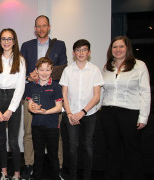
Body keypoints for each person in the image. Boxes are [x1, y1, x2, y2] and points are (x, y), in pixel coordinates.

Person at [20, 15, 67, 179]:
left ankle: (58, 167)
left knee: (56, 133)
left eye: (44, 26)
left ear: (49, 27)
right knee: (28, 132)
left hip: (51, 95)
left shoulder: (59, 45)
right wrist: (29, 77)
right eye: (38, 26)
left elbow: (63, 69)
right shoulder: (26, 46)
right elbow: (20, 70)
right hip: (31, 93)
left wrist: (44, 74)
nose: (41, 29)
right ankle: (29, 165)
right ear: (35, 28)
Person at [101, 36, 151, 180]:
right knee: (111, 150)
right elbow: (103, 90)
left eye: (121, 46)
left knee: (132, 150)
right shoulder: (107, 67)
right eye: (115, 47)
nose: (118, 50)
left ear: (127, 48)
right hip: (108, 112)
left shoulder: (139, 65)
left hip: (130, 112)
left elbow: (145, 91)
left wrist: (144, 117)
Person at [59, 39, 104, 180]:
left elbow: (97, 97)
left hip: (89, 114)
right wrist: (70, 113)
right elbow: (64, 94)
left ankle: (87, 176)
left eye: (84, 49)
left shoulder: (95, 70)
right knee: (72, 147)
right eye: (78, 50)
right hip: (71, 114)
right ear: (73, 53)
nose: (81, 53)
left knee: (88, 146)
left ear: (89, 52)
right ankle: (73, 176)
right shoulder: (68, 70)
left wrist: (82, 112)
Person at [0, 28, 26, 180]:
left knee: (13, 141)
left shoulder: (21, 60)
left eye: (9, 39)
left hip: (13, 100)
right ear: (0, 41)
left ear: (14, 41)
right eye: (3, 39)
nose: (6, 42)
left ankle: (16, 174)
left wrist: (10, 110)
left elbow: (20, 88)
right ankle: (3, 173)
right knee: (1, 140)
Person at [25, 57, 63, 180]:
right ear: (36, 70)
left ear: (52, 70)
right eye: (41, 70)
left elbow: (58, 108)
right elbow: (30, 106)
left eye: (48, 70)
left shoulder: (56, 87)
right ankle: (36, 177)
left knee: (53, 156)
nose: (44, 73)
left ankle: (55, 177)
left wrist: (45, 112)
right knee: (38, 154)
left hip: (52, 127)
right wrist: (33, 109)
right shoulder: (31, 86)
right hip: (36, 125)